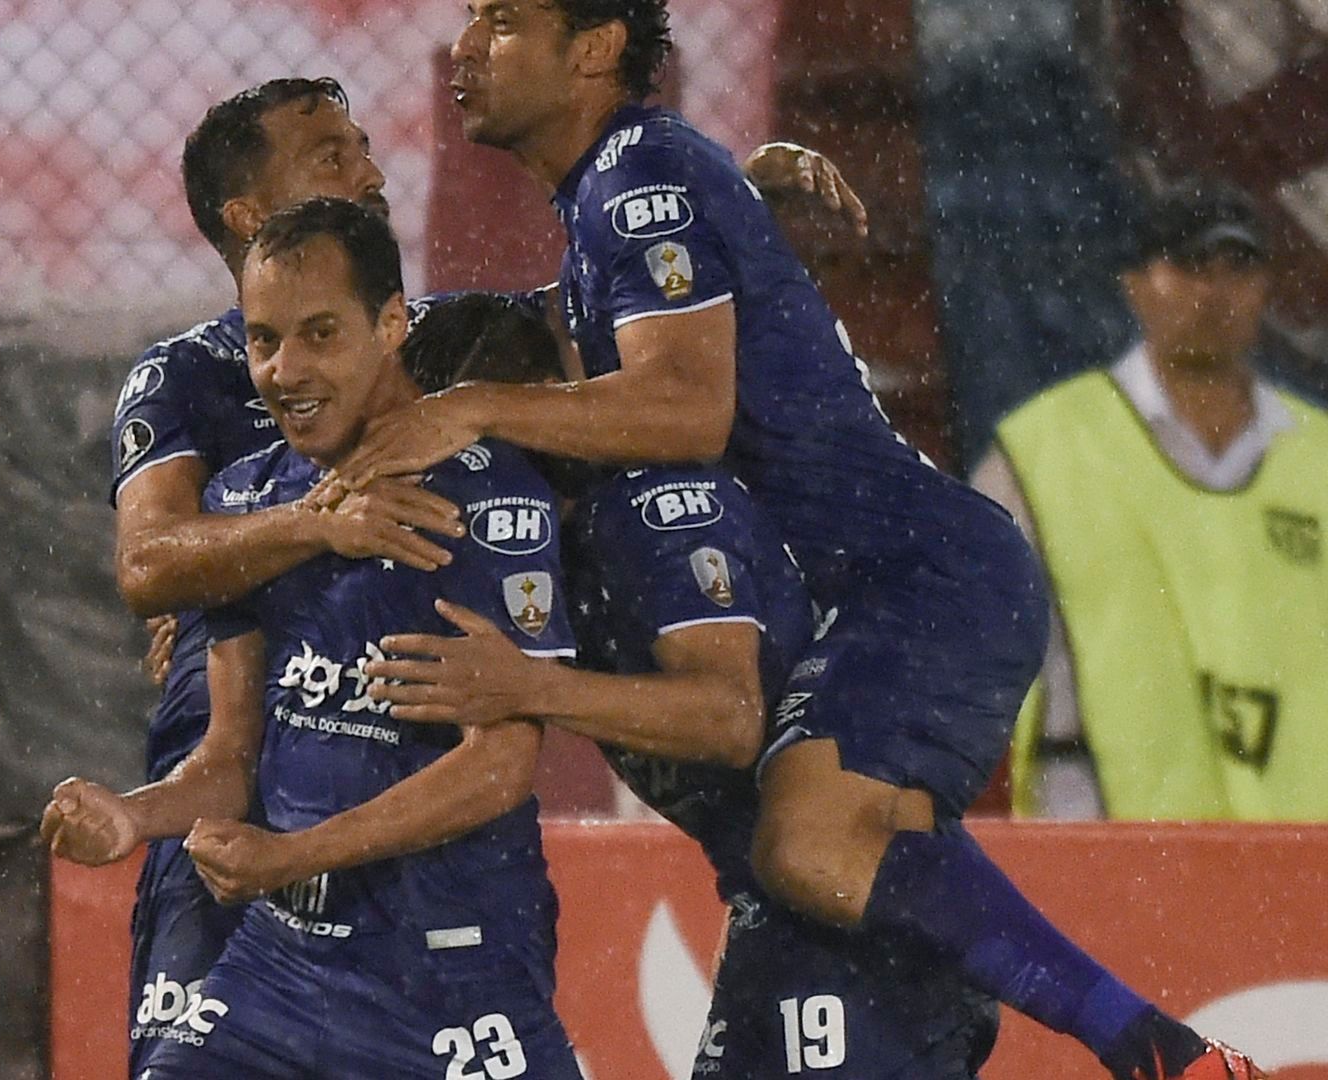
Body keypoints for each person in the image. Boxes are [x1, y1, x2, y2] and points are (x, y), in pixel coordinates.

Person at [333, 3, 1266, 1077]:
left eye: (503, 22)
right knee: (815, 852)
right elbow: (549, 330)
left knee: (808, 839)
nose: (468, 47)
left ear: (592, 48)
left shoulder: (634, 200)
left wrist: (478, 407)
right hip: (904, 594)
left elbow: (685, 404)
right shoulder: (627, 191)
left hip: (922, 576)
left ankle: (1156, 1048)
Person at [100, 74, 870, 1073]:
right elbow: (151, 562)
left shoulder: (428, 347)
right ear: (248, 216)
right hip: (237, 807)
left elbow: (594, 315)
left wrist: (730, 202)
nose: (370, 171)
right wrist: (307, 530)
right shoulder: (187, 377)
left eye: (364, 145)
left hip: (416, 837)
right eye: (332, 154)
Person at [377, 292, 1002, 1076]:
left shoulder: (648, 511)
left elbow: (730, 714)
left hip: (859, 926)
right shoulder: (561, 550)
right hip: (792, 918)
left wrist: (532, 688)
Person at [47, 198, 585, 1079]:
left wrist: (293, 854)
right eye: (264, 340)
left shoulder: (482, 496)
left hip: (449, 970)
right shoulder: (249, 504)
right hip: (284, 971)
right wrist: (134, 816)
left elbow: (498, 768)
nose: (285, 370)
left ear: (391, 324)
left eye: (321, 334)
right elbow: (230, 759)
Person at [972, 179, 1328, 821]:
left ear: (1266, 289)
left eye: (1237, 269)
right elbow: (961, 642)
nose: (1213, 294)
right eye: (1189, 267)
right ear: (1135, 283)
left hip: (1301, 847)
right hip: (1101, 822)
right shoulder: (1042, 449)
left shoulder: (1318, 456)